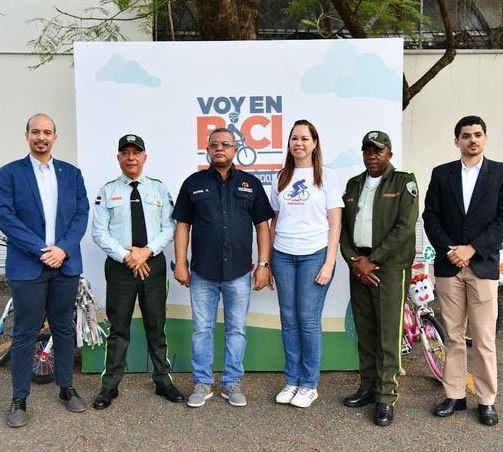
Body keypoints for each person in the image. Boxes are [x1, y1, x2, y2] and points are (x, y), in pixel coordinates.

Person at [0, 113, 89, 427]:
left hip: (65, 264)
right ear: (27, 136)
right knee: (25, 332)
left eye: (47, 132)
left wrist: (62, 249)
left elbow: (81, 215)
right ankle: (19, 398)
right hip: (27, 266)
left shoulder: (72, 174)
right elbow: (6, 218)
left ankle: (66, 388)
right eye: (36, 132)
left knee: (63, 328)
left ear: (55, 137)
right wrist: (42, 251)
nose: (41, 137)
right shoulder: (9, 173)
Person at [423, 115, 503, 426]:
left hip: (483, 265)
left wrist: (472, 249)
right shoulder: (441, 174)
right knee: (452, 335)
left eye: (477, 134)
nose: (472, 140)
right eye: (466, 135)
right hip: (449, 266)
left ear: (485, 138)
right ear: (457, 141)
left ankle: (486, 400)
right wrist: (452, 249)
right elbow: (431, 217)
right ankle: (455, 395)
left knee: (484, 337)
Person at [172, 128, 273, 408]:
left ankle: (231, 383)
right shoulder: (193, 183)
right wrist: (180, 263)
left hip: (239, 272)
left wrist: (263, 265)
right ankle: (202, 382)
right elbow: (182, 226)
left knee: (236, 329)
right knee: (202, 329)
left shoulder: (250, 184)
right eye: (214, 144)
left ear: (235, 150)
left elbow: (263, 227)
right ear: (207, 149)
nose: (220, 148)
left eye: (226, 144)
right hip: (202, 272)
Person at [91, 134, 184, 409]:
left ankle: (163, 380)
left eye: (136, 152)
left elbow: (170, 226)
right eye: (125, 152)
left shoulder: (158, 189)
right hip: (120, 269)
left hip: (152, 265)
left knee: (156, 325)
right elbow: (99, 231)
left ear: (145, 157)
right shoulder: (107, 190)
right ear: (118, 157)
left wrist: (145, 252)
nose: (131, 157)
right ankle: (110, 386)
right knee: (118, 327)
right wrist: (127, 256)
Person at [339, 130, 418, 426]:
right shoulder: (354, 184)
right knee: (366, 330)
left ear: (389, 155)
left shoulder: (403, 182)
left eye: (378, 151)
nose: (372, 156)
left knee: (388, 334)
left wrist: (373, 260)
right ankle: (368, 387)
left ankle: (386, 397)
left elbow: (404, 228)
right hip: (359, 266)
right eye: (367, 151)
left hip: (388, 268)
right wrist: (355, 261)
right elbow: (344, 229)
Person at [269, 120, 343, 408]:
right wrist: (269, 260)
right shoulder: (281, 177)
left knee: (308, 321)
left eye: (304, 138)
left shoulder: (327, 176)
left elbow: (335, 221)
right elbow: (275, 219)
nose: (298, 143)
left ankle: (309, 384)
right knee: (288, 321)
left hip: (315, 254)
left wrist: (329, 262)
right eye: (294, 138)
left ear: (314, 143)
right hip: (283, 254)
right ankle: (292, 381)